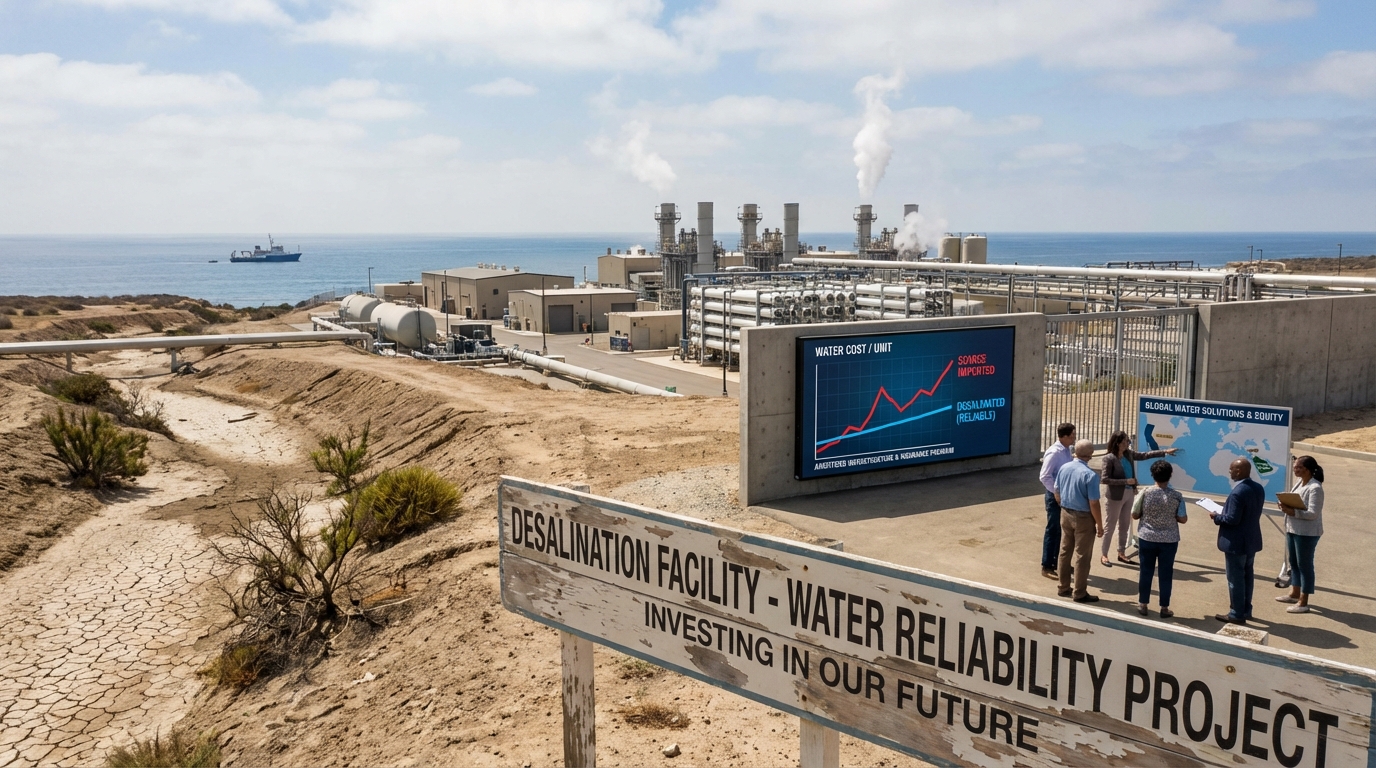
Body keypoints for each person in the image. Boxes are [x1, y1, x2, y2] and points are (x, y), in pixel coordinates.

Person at [1100, 430, 1177, 567]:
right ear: (1118, 443)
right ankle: (1104, 555)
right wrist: (1125, 481)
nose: (1128, 443)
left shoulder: (1128, 454)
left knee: (1124, 525)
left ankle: (1121, 552)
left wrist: (1165, 452)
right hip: (1115, 497)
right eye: (1125, 441)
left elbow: (1145, 455)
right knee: (1110, 526)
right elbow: (1104, 479)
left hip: (1129, 494)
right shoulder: (1109, 458)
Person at [1210, 458, 1265, 624]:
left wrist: (1217, 517)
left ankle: (1236, 613)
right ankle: (1246, 609)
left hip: (1236, 543)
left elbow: (1232, 519)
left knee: (1235, 579)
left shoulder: (1237, 492)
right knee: (1248, 576)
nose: (1230, 472)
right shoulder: (1258, 488)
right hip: (1251, 540)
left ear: (1239, 471)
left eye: (1231, 469)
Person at [1132, 460, 1188, 618]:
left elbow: (1135, 514)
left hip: (1147, 537)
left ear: (1152, 475)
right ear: (1170, 476)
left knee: (1146, 571)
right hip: (1169, 539)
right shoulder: (1177, 496)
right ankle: (1164, 607)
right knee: (1166, 573)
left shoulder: (1146, 492)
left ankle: (1143, 603)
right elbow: (1183, 518)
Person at [1054, 439, 1104, 603]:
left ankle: (1063, 587)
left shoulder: (1064, 468)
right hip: (1083, 517)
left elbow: (1056, 491)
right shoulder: (1090, 475)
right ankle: (1080, 592)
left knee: (1064, 551)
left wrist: (1064, 505)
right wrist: (1099, 524)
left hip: (1066, 513)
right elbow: (1094, 503)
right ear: (1090, 455)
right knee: (1082, 556)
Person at [1276, 455, 1325, 614]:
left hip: (1307, 533)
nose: (1295, 470)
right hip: (1293, 528)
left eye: (1299, 468)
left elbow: (1313, 513)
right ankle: (1294, 593)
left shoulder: (1315, 488)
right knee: (1294, 563)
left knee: (1305, 565)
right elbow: (1295, 500)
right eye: (1295, 467)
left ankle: (1303, 601)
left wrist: (1293, 511)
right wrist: (1284, 504)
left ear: (1308, 470)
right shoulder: (1299, 483)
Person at [1038, 423, 1076, 579]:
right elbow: (1044, 476)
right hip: (1055, 497)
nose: (1074, 438)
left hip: (1064, 495)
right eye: (1072, 435)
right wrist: (1056, 493)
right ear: (1064, 436)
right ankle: (1046, 566)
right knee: (1052, 529)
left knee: (1062, 529)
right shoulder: (1054, 453)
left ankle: (1057, 562)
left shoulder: (1067, 450)